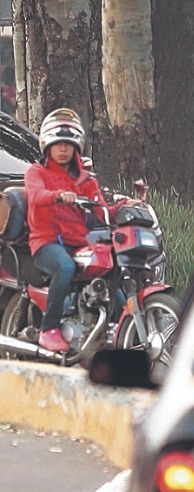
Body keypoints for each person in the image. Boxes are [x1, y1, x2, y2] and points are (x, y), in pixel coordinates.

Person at [23, 108, 110, 352]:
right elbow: (36, 195)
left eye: (68, 144)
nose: (63, 149)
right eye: (58, 144)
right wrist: (58, 195)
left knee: (109, 266)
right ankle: (48, 329)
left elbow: (101, 206)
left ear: (76, 147)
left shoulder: (85, 179)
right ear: (47, 145)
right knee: (64, 266)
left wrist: (127, 206)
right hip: (46, 242)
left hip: (78, 242)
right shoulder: (36, 172)